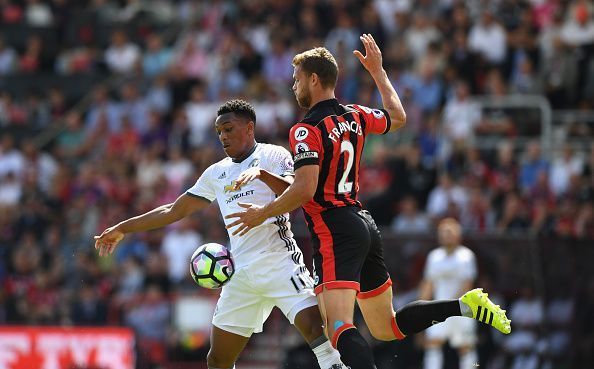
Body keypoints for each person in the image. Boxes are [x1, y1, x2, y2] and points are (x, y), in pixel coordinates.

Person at [225, 35, 511, 369]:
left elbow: (305, 191)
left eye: (297, 78)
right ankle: (465, 306)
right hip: (362, 223)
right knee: (386, 327)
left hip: (335, 230)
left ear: (313, 80)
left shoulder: (306, 129)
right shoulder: (355, 115)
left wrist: (263, 213)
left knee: (338, 328)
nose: (293, 85)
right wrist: (378, 71)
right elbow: (398, 116)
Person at [94, 100, 345, 369]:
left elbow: (298, 191)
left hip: (279, 262)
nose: (223, 136)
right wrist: (123, 227)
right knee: (218, 359)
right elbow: (173, 210)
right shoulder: (217, 173)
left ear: (249, 128)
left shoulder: (273, 155)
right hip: (240, 274)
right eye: (219, 132)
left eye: (228, 128)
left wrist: (261, 175)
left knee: (317, 333)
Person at [419, 218, 478, 369]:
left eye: (450, 232)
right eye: (443, 232)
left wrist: (451, 306)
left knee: (465, 347)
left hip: (462, 309)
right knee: (433, 344)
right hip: (439, 309)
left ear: (458, 235)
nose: (446, 235)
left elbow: (468, 285)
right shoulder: (434, 257)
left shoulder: (466, 256)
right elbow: (429, 283)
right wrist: (420, 309)